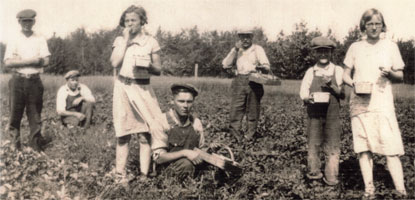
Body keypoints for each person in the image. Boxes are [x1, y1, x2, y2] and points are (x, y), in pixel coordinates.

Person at [343, 8, 407, 198]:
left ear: (382, 25)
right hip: (360, 103)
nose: (373, 27)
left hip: (382, 103)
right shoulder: (355, 47)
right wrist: (353, 83)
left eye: (377, 23)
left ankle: (401, 189)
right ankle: (369, 188)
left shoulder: (390, 46)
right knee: (363, 148)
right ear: (363, 26)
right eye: (369, 23)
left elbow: (400, 76)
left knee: (391, 148)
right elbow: (346, 74)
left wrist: (390, 73)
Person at [110, 5, 168, 183]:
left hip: (143, 89)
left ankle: (144, 175)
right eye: (126, 21)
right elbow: (114, 62)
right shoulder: (120, 40)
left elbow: (158, 69)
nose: (129, 24)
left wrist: (149, 66)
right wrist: (126, 42)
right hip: (123, 88)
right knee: (123, 133)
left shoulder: (151, 42)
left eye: (133, 20)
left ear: (142, 21)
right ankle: (120, 175)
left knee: (145, 133)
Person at [3, 9, 51, 151]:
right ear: (19, 22)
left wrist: (19, 60)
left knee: (35, 115)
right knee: (14, 115)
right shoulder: (13, 39)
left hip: (34, 81)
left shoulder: (40, 38)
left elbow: (46, 61)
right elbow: (8, 63)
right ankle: (14, 146)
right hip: (17, 80)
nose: (27, 24)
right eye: (24, 21)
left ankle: (35, 147)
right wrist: (32, 60)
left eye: (29, 21)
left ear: (34, 22)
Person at [299, 37, 344, 186]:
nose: (323, 54)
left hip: (332, 115)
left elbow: (343, 94)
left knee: (332, 144)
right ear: (315, 54)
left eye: (326, 51)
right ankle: (314, 176)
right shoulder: (311, 71)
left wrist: (332, 85)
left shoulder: (337, 70)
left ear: (331, 52)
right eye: (319, 51)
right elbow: (303, 92)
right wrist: (307, 98)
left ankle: (331, 178)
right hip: (315, 114)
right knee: (314, 143)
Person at [222, 28, 270, 141]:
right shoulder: (236, 50)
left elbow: (266, 65)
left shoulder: (257, 49)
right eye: (242, 37)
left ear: (252, 38)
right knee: (236, 109)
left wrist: (262, 68)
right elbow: (225, 64)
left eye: (248, 37)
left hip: (254, 80)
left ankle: (250, 137)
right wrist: (234, 50)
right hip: (239, 80)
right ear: (239, 38)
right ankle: (236, 138)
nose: (245, 39)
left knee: (253, 110)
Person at [153, 83, 205, 179]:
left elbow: (201, 150)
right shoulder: (161, 121)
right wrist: (185, 152)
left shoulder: (196, 123)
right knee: (186, 164)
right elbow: (159, 159)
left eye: (189, 102)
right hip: (167, 171)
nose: (185, 106)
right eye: (181, 101)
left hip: (192, 166)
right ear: (172, 101)